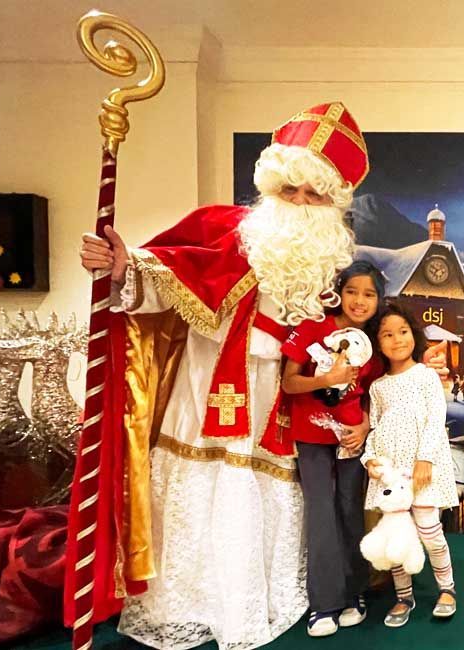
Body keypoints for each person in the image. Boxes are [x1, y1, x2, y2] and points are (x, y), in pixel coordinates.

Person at [72, 102, 369, 649]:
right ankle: (184, 604)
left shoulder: (326, 263)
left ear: (332, 204)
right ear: (272, 187)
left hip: (277, 398)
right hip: (205, 384)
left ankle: (251, 602)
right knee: (197, 489)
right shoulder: (224, 228)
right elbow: (165, 276)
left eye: (315, 195)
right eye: (290, 190)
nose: (300, 204)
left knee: (262, 492)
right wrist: (121, 267)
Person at [280, 261, 385, 636]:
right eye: (352, 291)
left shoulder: (373, 344)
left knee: (350, 510)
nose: (359, 301)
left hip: (351, 439)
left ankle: (354, 592)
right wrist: (327, 379)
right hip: (312, 436)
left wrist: (364, 425)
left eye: (369, 294)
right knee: (321, 512)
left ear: (378, 300)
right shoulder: (313, 327)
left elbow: (373, 395)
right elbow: (289, 382)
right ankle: (323, 603)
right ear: (339, 293)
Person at [362, 305, 459, 627]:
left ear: (413, 335)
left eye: (403, 331)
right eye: (387, 335)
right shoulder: (378, 387)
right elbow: (375, 429)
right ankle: (404, 596)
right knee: (396, 537)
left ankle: (447, 589)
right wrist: (370, 459)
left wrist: (425, 458)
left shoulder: (425, 376)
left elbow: (435, 418)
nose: (397, 339)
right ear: (378, 343)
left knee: (431, 533)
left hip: (422, 470)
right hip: (392, 475)